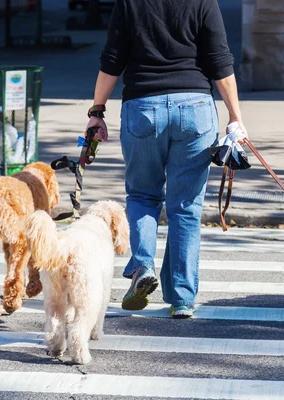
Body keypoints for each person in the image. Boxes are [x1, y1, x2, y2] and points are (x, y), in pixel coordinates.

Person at [85, 0, 247, 319]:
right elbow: (220, 61)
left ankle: (143, 266)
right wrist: (235, 116)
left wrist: (97, 111)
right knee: (185, 206)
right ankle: (182, 298)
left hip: (143, 107)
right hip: (196, 109)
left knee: (144, 195)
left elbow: (112, 59)